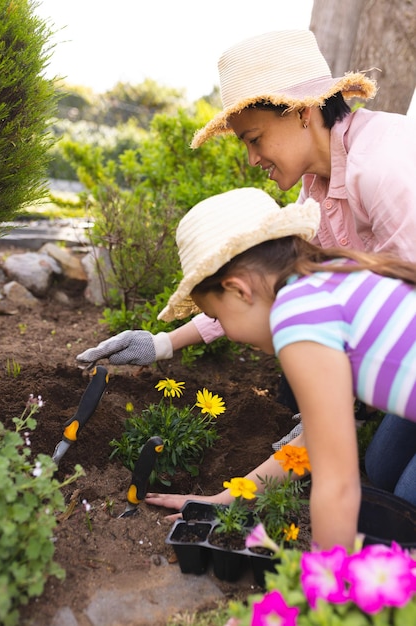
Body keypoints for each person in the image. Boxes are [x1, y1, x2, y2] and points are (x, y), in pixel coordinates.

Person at [76, 30, 416, 509]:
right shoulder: (317, 190)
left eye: (254, 139)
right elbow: (259, 290)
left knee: (405, 495)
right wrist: (163, 343)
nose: (252, 158)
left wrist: (331, 410)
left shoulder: (385, 169)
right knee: (381, 469)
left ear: (302, 111)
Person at [154, 186, 416, 549]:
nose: (224, 331)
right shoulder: (324, 278)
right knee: (385, 470)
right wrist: (225, 499)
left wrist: (321, 596)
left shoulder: (297, 318)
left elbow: (337, 485)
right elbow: (310, 443)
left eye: (217, 316)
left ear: (239, 290)